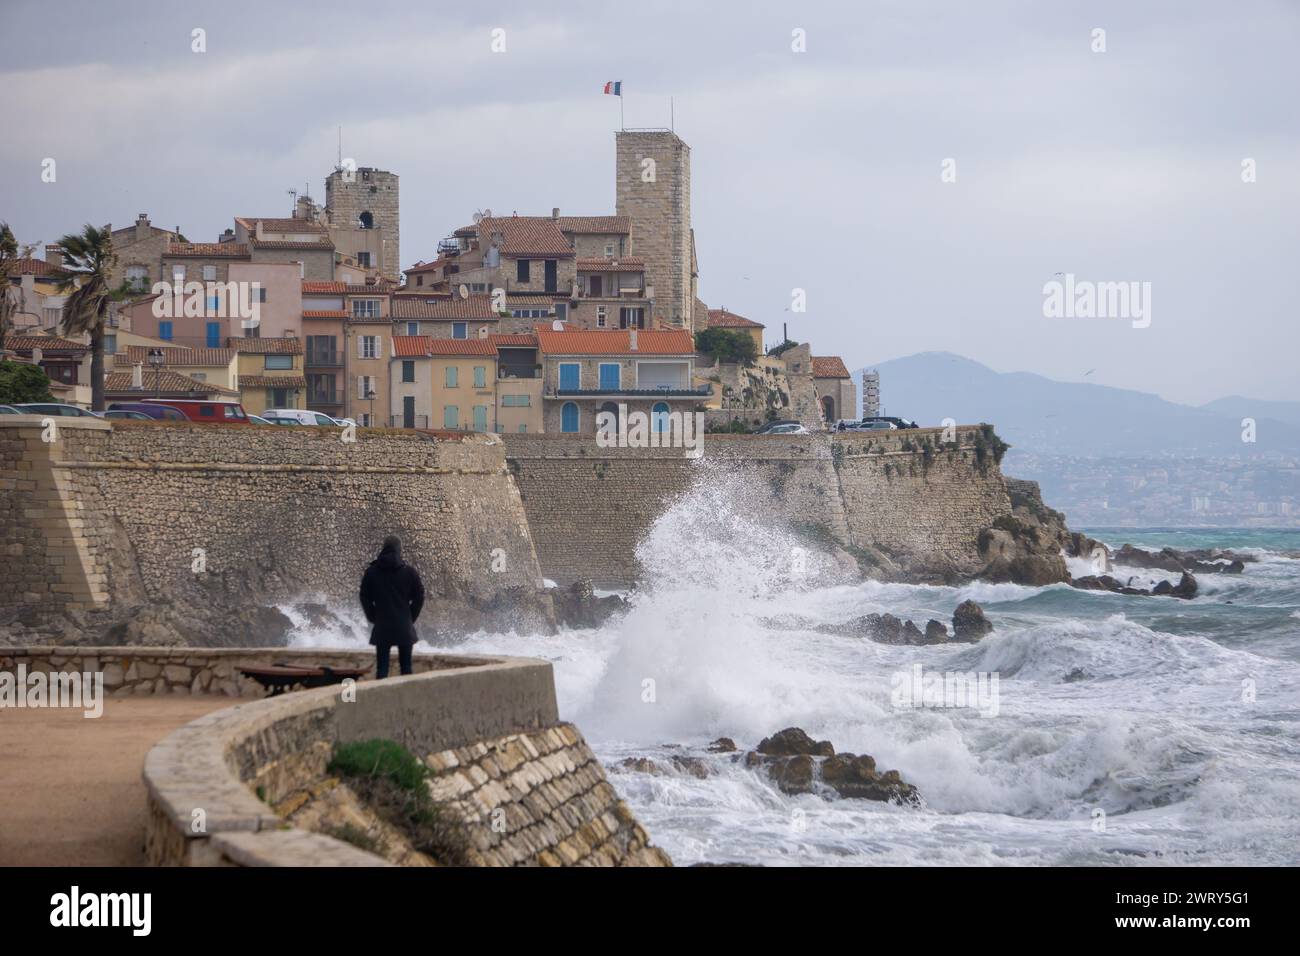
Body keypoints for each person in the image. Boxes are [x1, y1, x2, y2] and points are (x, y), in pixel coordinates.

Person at [359, 535, 425, 679]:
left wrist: (372, 616)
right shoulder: (409, 572)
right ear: (399, 549)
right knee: (406, 668)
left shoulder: (372, 572)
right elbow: (419, 596)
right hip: (404, 625)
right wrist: (410, 616)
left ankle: (381, 700)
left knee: (382, 669)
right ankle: (406, 699)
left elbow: (364, 596)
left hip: (382, 624)